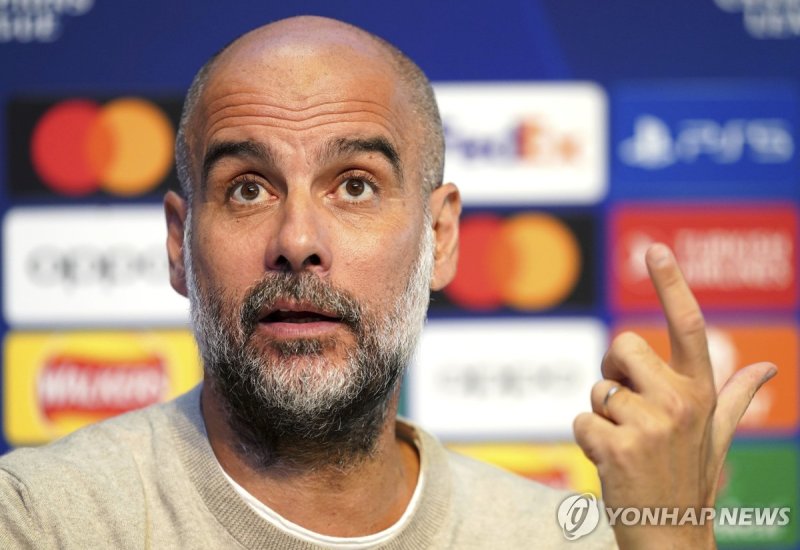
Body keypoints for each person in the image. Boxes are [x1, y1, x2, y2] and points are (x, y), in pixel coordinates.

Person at [0, 15, 775, 549]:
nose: (298, 242)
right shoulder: (39, 519)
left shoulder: (557, 538)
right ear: (179, 243)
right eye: (247, 188)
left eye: (356, 186)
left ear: (439, 238)